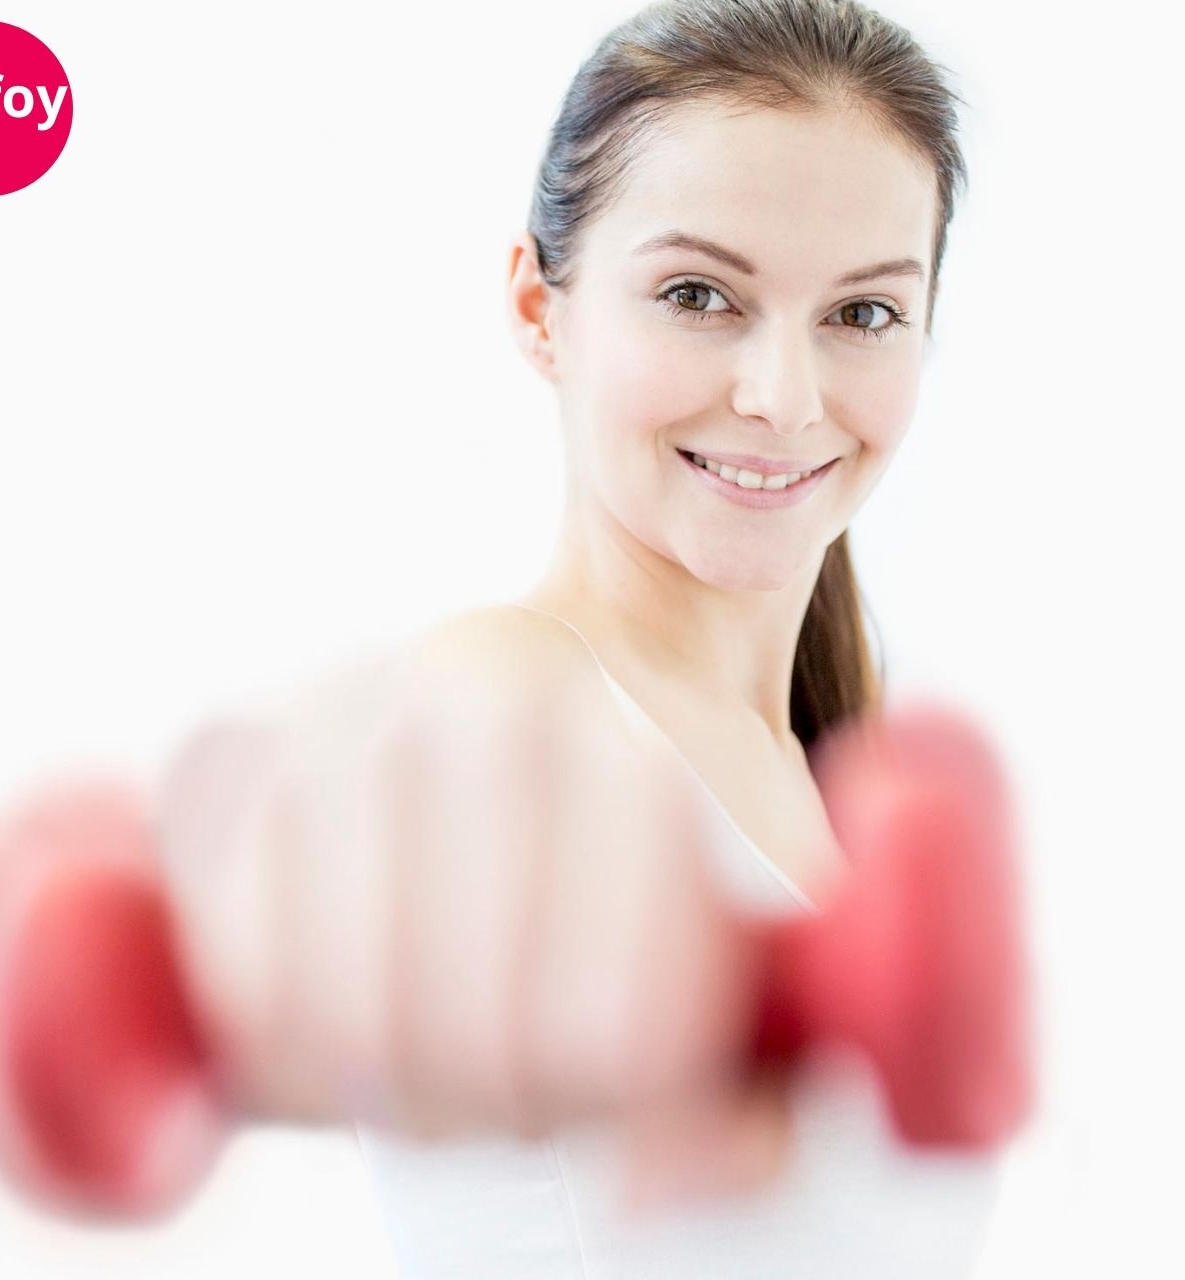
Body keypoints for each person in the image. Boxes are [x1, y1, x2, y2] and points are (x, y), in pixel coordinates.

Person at [344, 0, 1003, 1272]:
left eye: (862, 313)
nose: (782, 396)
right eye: (700, 294)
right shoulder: (507, 696)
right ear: (543, 308)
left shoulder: (839, 782)